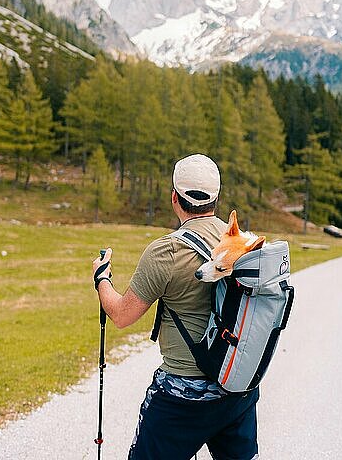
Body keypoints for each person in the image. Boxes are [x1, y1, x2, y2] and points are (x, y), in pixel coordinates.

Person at [92, 154, 259, 460]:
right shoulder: (241, 245)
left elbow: (121, 315)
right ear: (216, 199)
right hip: (237, 390)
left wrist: (101, 278)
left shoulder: (166, 251)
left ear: (174, 198)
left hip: (183, 396)